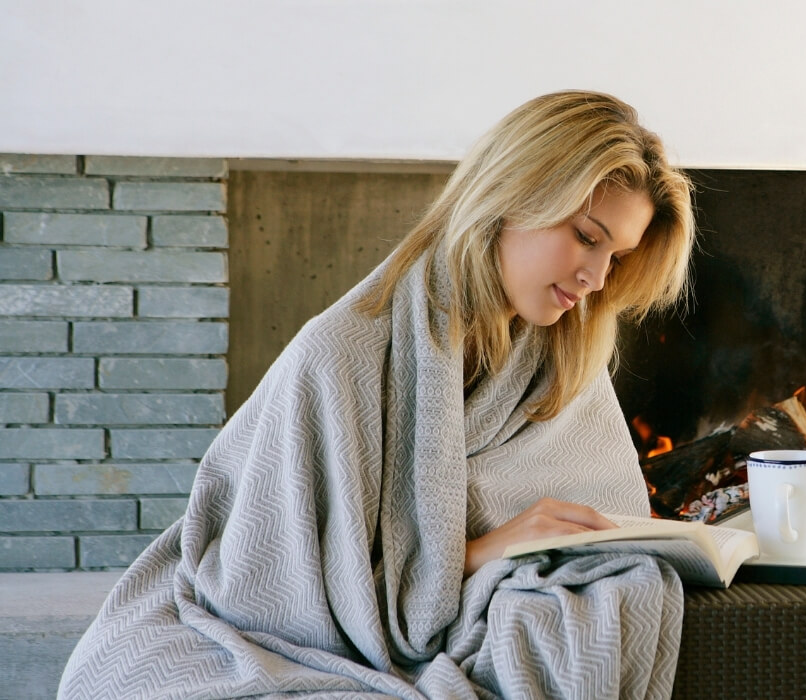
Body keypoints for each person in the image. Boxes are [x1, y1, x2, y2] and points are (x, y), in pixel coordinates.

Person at [60, 90, 696, 699]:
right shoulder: (342, 351)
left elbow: (604, 540)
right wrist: (473, 556)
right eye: (587, 236)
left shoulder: (563, 362)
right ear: (511, 195)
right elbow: (268, 588)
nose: (595, 277)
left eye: (616, 256)